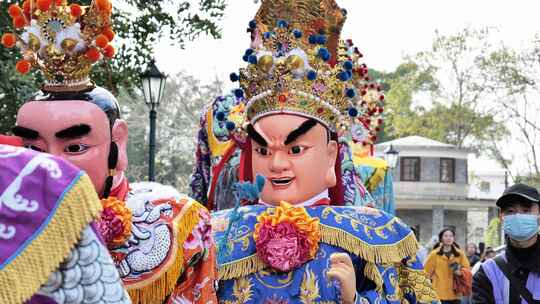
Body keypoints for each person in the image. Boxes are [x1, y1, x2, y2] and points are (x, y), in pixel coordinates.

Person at [209, 2, 439, 303]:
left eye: (295, 149)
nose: (277, 163)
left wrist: (355, 299)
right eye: (263, 149)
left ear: (331, 157)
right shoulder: (214, 236)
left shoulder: (376, 236)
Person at [3, 1, 217, 302]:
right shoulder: (8, 219)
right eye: (32, 149)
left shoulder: (175, 218)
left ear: (118, 143)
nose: (53, 166)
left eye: (75, 147)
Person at [188, 3, 395, 213]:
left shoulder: (319, 109)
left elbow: (345, 187)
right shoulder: (219, 112)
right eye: (256, 35)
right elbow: (200, 185)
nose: (260, 44)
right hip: (231, 232)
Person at [0, 142, 130, 303]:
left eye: (74, 149)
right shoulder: (49, 177)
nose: (55, 154)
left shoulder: (47, 179)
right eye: (34, 147)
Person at [472, 183, 540, 303]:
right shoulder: (488, 272)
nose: (518, 216)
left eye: (526, 210)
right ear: (501, 218)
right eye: (510, 211)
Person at [425, 228, 471, 304]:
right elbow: (426, 273)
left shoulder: (460, 254)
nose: (448, 238)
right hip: (438, 293)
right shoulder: (434, 254)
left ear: (454, 238)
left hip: (456, 293)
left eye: (451, 236)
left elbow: (468, 271)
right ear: (441, 238)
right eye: (445, 236)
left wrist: (459, 272)